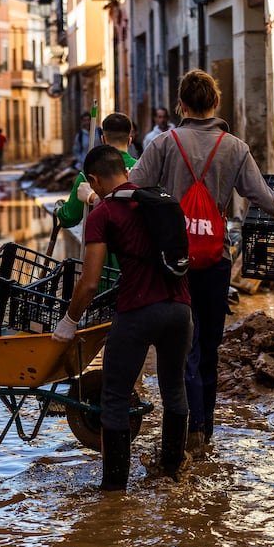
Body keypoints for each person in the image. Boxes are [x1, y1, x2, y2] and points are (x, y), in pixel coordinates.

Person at [130, 70, 274, 452]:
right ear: (216, 103)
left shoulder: (164, 144)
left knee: (184, 347)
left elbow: (133, 188)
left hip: (172, 263)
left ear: (181, 105)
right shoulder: (234, 147)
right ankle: (206, 431)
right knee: (210, 349)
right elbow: (263, 198)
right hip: (216, 260)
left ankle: (189, 430)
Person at [52, 145, 194, 490]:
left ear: (95, 180)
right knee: (174, 388)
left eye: (94, 186)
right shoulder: (160, 200)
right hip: (180, 310)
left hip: (138, 311)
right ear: (127, 172)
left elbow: (88, 283)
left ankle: (114, 491)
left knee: (114, 396)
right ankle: (172, 471)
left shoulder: (104, 213)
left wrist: (68, 322)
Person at [56, 112, 136, 229]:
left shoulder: (90, 174)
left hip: (101, 243)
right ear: (130, 141)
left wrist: (58, 210)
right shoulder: (143, 169)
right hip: (138, 243)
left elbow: (69, 218)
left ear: (103, 140)